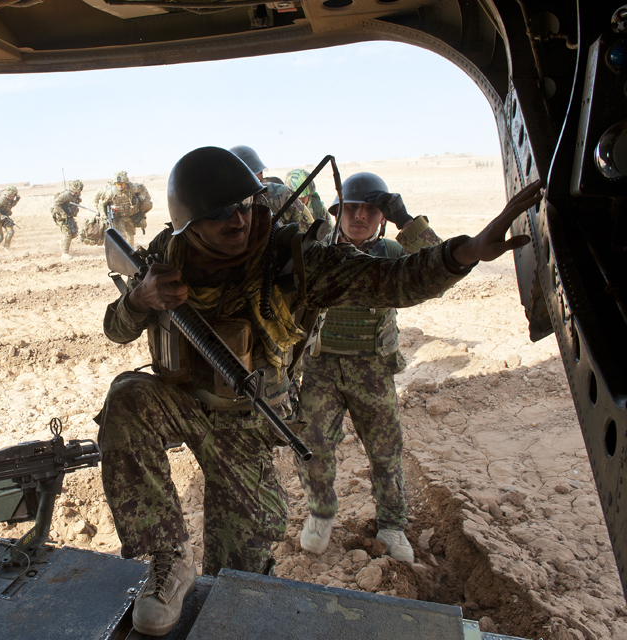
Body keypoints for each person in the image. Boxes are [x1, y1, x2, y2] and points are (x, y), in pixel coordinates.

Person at [94, 146, 542, 636]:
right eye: (219, 213)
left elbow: (394, 280)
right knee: (127, 397)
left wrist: (466, 252)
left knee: (235, 576)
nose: (238, 219)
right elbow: (116, 328)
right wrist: (139, 298)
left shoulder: (294, 260)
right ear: (188, 224)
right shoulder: (165, 255)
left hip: (249, 418)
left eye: (245, 204)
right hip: (181, 403)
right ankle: (169, 556)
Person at [294, 172, 443, 564]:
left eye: (371, 209)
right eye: (352, 208)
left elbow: (439, 270)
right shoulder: (317, 252)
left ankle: (392, 525)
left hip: (371, 370)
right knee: (312, 448)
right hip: (321, 369)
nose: (360, 216)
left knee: (385, 452)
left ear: (381, 216)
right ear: (337, 211)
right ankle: (321, 514)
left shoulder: (392, 254)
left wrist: (405, 219)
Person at [229, 145, 311, 230]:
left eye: (248, 176)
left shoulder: (280, 195)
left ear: (259, 175)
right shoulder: (224, 208)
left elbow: (307, 233)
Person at [93, 171, 152, 246]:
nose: (120, 186)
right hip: (118, 217)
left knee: (130, 237)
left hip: (130, 216)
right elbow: (102, 203)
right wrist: (104, 216)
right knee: (121, 237)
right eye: (118, 184)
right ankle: (122, 253)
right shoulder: (111, 191)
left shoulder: (133, 187)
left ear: (126, 183)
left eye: (122, 184)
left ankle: (130, 253)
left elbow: (142, 188)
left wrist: (140, 198)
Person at [52, 180, 83, 258]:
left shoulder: (76, 196)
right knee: (68, 234)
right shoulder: (66, 195)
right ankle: (64, 253)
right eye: (78, 191)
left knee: (75, 232)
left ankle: (62, 242)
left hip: (69, 216)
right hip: (61, 217)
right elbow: (56, 204)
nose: (79, 193)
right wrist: (63, 213)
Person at [0, 186, 20, 254]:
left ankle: (6, 248)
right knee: (0, 237)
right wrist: (0, 215)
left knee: (10, 232)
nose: (14, 196)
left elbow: (10, 206)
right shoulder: (1, 200)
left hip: (5, 218)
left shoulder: (10, 199)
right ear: (10, 194)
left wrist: (16, 200)